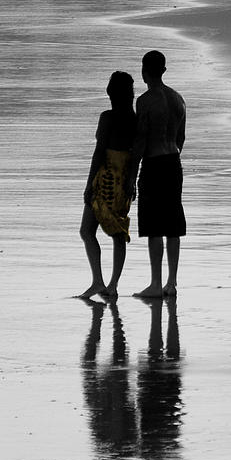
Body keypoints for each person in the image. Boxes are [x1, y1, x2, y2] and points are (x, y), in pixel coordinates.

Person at [126, 51, 186, 298]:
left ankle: (155, 283)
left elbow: (140, 141)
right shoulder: (177, 98)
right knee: (172, 225)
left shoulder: (145, 101)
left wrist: (131, 176)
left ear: (145, 71)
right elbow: (181, 138)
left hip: (153, 163)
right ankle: (171, 283)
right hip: (173, 161)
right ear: (163, 70)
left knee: (153, 226)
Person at [78, 71, 137, 299]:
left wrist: (88, 184)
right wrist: (133, 179)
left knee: (86, 230)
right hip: (124, 178)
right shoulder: (134, 119)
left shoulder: (108, 117)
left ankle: (98, 281)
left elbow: (99, 152)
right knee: (118, 233)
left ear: (111, 93)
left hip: (106, 178)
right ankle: (111, 284)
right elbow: (136, 154)